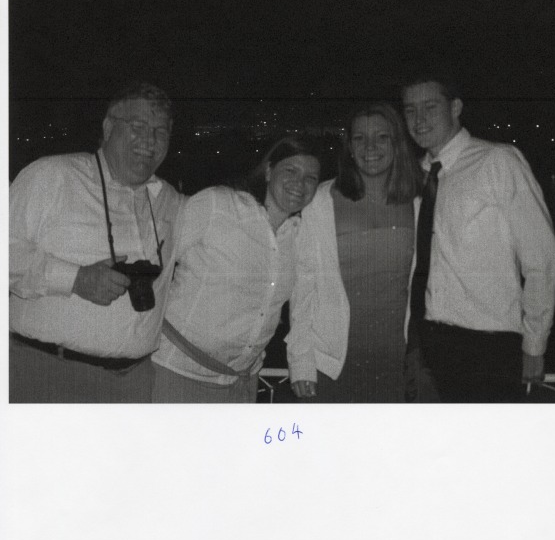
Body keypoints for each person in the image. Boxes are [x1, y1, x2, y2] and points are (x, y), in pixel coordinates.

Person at [9, 82, 185, 403]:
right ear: (107, 128)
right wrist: (75, 279)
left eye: (161, 132)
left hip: (135, 383)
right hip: (49, 373)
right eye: (138, 127)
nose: (150, 141)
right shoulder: (52, 176)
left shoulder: (171, 201)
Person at [401, 71, 555, 402]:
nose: (418, 119)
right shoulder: (414, 175)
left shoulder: (497, 161)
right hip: (427, 341)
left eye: (430, 107)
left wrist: (534, 344)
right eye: (410, 110)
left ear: (456, 107)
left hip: (488, 345)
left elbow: (543, 258)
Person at [151, 135, 321, 403]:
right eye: (290, 170)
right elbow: (155, 262)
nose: (300, 183)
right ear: (268, 171)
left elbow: (302, 308)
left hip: (241, 383)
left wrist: (302, 365)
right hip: (176, 372)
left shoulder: (299, 237)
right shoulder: (218, 206)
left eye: (311, 178)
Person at [287, 102, 438, 403]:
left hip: (397, 365)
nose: (370, 146)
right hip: (330, 364)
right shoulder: (321, 201)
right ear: (350, 147)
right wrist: (300, 360)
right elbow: (303, 286)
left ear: (397, 144)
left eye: (382, 137)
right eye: (359, 138)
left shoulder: (420, 202)